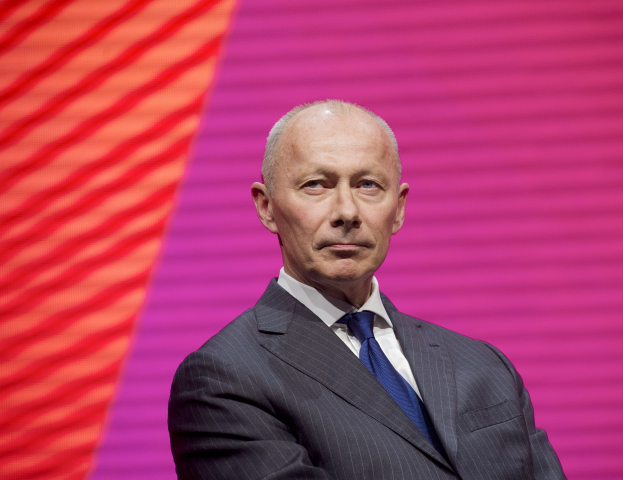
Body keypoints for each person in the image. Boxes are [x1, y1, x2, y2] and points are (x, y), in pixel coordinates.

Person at [168, 100, 566, 479]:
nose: (347, 212)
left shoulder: (484, 365)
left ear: (400, 207)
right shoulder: (223, 380)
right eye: (315, 185)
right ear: (266, 207)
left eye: (368, 185)